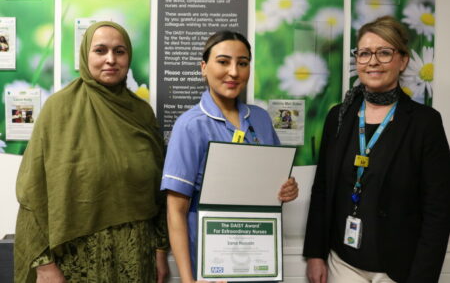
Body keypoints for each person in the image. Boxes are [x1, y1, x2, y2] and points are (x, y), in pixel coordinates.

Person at [15, 21, 169, 283]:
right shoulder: (59, 109)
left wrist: (159, 250)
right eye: (100, 50)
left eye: (120, 51)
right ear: (85, 55)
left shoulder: (142, 113)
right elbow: (33, 192)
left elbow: (158, 191)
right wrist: (44, 265)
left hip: (135, 260)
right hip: (75, 263)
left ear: (129, 56)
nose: (111, 59)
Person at [303, 16, 450, 283]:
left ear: (403, 60)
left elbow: (438, 210)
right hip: (342, 264)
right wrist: (315, 254)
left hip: (397, 270)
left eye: (384, 52)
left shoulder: (424, 122)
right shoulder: (339, 116)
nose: (373, 61)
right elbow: (322, 189)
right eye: (364, 53)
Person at [160, 30, 299, 283]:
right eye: (223, 62)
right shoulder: (190, 126)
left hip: (258, 257)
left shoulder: (260, 119)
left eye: (242, 63)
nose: (234, 72)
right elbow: (175, 212)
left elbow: (276, 182)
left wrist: (289, 188)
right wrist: (188, 281)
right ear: (204, 68)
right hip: (211, 264)